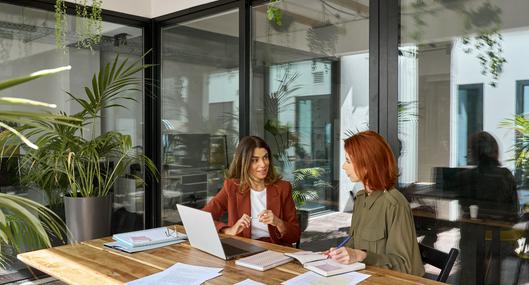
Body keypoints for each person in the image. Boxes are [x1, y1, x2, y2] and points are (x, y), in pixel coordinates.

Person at [325, 131, 425, 276]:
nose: (343, 166)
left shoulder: (394, 204)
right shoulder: (361, 198)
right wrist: (340, 253)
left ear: (367, 165)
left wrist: (362, 256)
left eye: (348, 161)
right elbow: (355, 243)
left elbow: (405, 266)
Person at [202, 135, 300, 246]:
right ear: (244, 162)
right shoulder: (232, 187)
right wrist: (229, 230)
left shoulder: (283, 188)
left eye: (265, 157)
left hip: (276, 249)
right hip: (243, 249)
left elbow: (295, 235)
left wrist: (278, 222)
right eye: (255, 160)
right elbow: (203, 217)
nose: (263, 164)